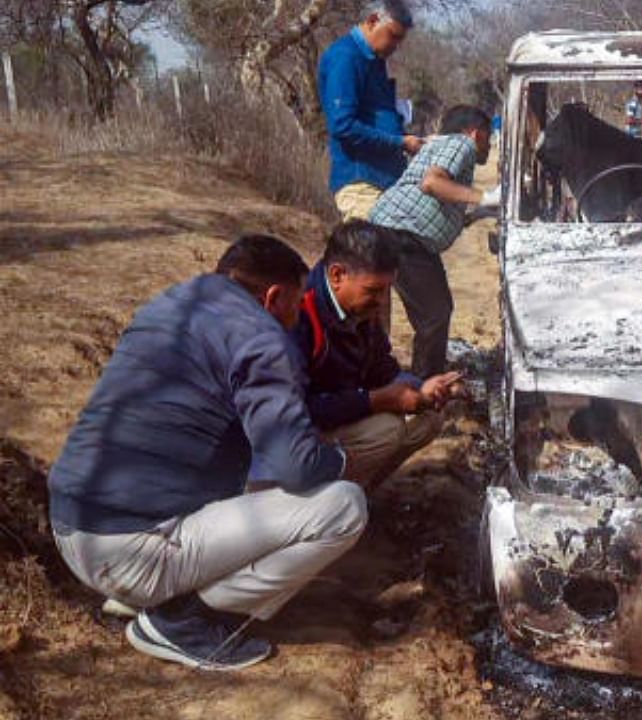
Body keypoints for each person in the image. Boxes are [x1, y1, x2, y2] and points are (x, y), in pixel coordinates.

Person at [48, 236, 359, 671]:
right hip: (132, 550)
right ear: (272, 297)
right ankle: (185, 621)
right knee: (343, 505)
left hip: (71, 526)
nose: (297, 317)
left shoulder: (174, 304)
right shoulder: (261, 337)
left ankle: (144, 594)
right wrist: (339, 460)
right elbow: (296, 465)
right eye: (295, 303)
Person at [293, 221, 462, 488]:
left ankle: (360, 492)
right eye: (373, 290)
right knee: (386, 430)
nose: (382, 300)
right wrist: (374, 401)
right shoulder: (300, 315)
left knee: (428, 418)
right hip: (299, 439)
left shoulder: (359, 309)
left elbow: (382, 367)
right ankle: (328, 503)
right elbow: (297, 409)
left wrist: (422, 388)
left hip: (340, 414)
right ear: (337, 275)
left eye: (386, 290)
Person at [369, 105, 498, 378]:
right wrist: (485, 197)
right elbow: (431, 184)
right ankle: (425, 393)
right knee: (435, 315)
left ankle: (392, 379)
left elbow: (439, 205)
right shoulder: (461, 144)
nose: (490, 143)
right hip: (403, 234)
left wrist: (481, 212)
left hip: (393, 229)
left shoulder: (441, 148)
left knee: (420, 312)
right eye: (488, 136)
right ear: (475, 133)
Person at [319, 0, 421, 222]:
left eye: (400, 39)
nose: (396, 45)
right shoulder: (346, 57)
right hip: (362, 184)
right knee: (366, 254)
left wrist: (406, 139)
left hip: (383, 182)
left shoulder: (374, 61)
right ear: (373, 21)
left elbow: (377, 118)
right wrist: (400, 143)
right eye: (393, 36)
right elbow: (342, 126)